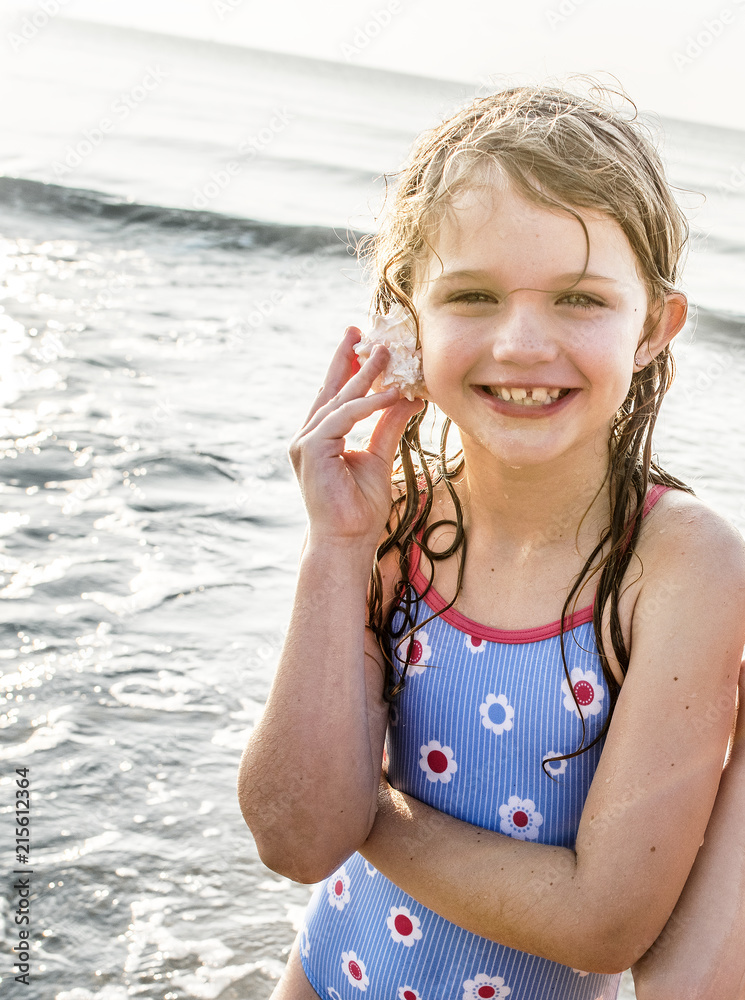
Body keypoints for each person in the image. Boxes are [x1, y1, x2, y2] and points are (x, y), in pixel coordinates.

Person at [238, 83, 745, 1000]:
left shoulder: (680, 566)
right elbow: (295, 839)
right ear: (406, 321)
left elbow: (600, 925)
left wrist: (366, 809)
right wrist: (334, 548)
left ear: (652, 329)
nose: (520, 342)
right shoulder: (390, 525)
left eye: (579, 299)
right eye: (469, 294)